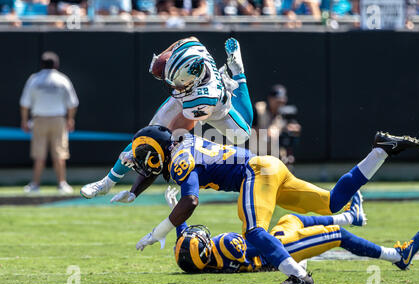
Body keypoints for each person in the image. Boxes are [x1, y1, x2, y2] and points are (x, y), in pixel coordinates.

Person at [115, 124, 419, 284]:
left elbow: (191, 199)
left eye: (141, 159)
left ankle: (298, 276)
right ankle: (381, 151)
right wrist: (134, 191)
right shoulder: (182, 148)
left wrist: (160, 230)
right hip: (268, 166)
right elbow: (155, 169)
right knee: (332, 202)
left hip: (257, 172)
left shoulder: (181, 159)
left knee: (253, 231)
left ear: (155, 154)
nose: (140, 167)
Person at [80, 37, 254, 199]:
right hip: (187, 96)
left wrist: (142, 152)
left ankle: (238, 72)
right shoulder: (193, 52)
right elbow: (190, 39)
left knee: (242, 134)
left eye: (177, 83)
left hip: (216, 107)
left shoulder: (202, 101)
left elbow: (171, 133)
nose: (173, 87)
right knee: (149, 135)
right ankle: (107, 183)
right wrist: (162, 58)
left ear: (192, 80)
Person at [166, 187, 419, 284]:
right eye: (197, 237)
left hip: (271, 246)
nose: (199, 234)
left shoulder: (202, 262)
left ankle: (350, 216)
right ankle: (397, 257)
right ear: (203, 250)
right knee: (336, 236)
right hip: (278, 250)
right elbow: (259, 246)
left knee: (292, 219)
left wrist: (178, 216)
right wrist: (289, 261)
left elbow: (190, 249)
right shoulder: (225, 246)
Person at [20, 51, 79, 194]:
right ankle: (62, 184)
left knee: (39, 154)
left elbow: (24, 103)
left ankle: (35, 185)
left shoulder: (34, 79)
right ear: (56, 65)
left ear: (41, 64)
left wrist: (24, 120)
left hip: (39, 119)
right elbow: (72, 103)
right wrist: (70, 119)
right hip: (58, 120)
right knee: (59, 152)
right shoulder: (62, 79)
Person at [253, 84, 301, 169]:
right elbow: (247, 129)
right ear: (270, 99)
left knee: (286, 161)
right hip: (256, 153)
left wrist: (291, 129)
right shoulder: (259, 109)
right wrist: (265, 132)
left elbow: (295, 128)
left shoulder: (284, 113)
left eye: (282, 102)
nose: (280, 104)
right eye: (277, 101)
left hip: (276, 153)